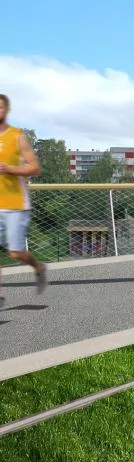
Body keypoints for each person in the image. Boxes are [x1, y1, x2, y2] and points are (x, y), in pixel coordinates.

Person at [0, 94, 48, 306]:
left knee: (16, 252)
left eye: (0, 108)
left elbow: (35, 168)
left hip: (16, 205)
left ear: (7, 110)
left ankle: (39, 267)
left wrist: (11, 169)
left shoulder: (17, 136)